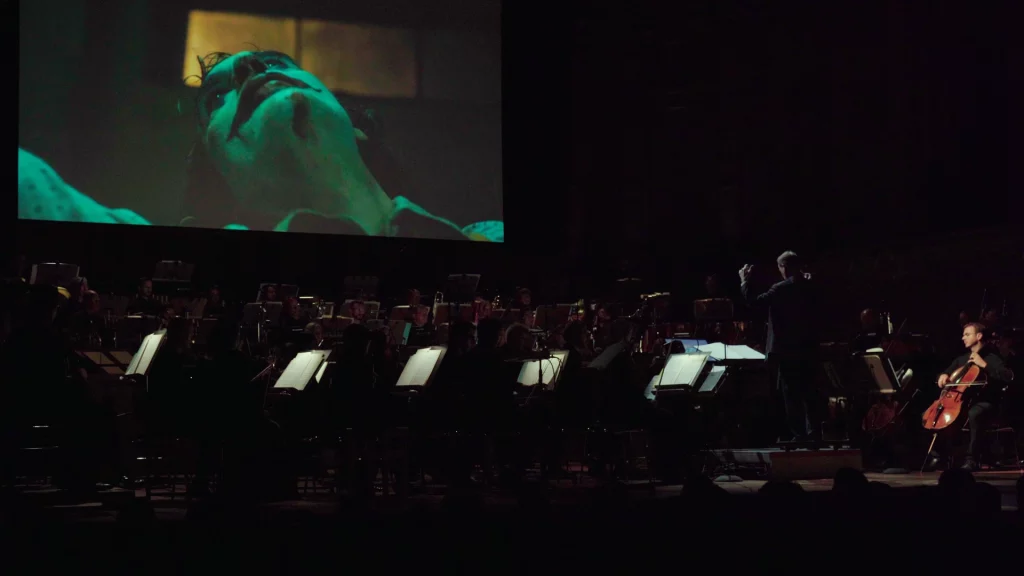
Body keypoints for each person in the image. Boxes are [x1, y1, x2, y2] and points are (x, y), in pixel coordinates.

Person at [739, 251, 820, 441]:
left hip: (787, 349)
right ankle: (814, 432)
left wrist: (745, 281)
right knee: (809, 391)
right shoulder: (811, 286)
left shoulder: (780, 289)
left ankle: (799, 434)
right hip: (808, 347)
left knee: (791, 392)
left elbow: (754, 303)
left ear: (783, 267)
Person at [927, 322, 1014, 471]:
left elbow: (1008, 376)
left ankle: (971, 458)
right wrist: (943, 375)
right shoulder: (962, 359)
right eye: (963, 334)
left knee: (974, 413)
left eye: (967, 334)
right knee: (933, 413)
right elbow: (946, 372)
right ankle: (938, 454)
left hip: (986, 402)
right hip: (962, 401)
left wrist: (984, 365)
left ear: (979, 336)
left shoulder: (992, 357)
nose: (963, 338)